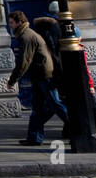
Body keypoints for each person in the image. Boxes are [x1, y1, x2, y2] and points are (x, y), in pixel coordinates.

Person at [6, 11, 66, 145]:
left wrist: (12, 80)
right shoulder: (26, 34)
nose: (10, 25)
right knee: (37, 108)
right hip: (39, 75)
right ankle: (34, 138)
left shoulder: (27, 37)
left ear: (19, 22)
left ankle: (77, 128)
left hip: (44, 75)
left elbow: (24, 62)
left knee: (55, 104)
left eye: (11, 22)